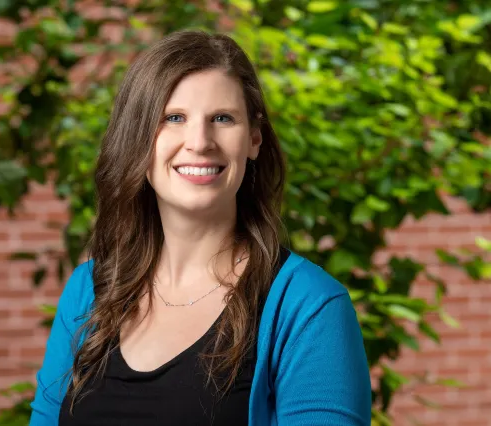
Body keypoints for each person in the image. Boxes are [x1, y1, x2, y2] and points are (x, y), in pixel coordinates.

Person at [29, 30, 371, 425]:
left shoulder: (308, 306)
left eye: (222, 119)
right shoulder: (87, 292)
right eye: (173, 118)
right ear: (138, 136)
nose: (199, 141)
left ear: (254, 138)